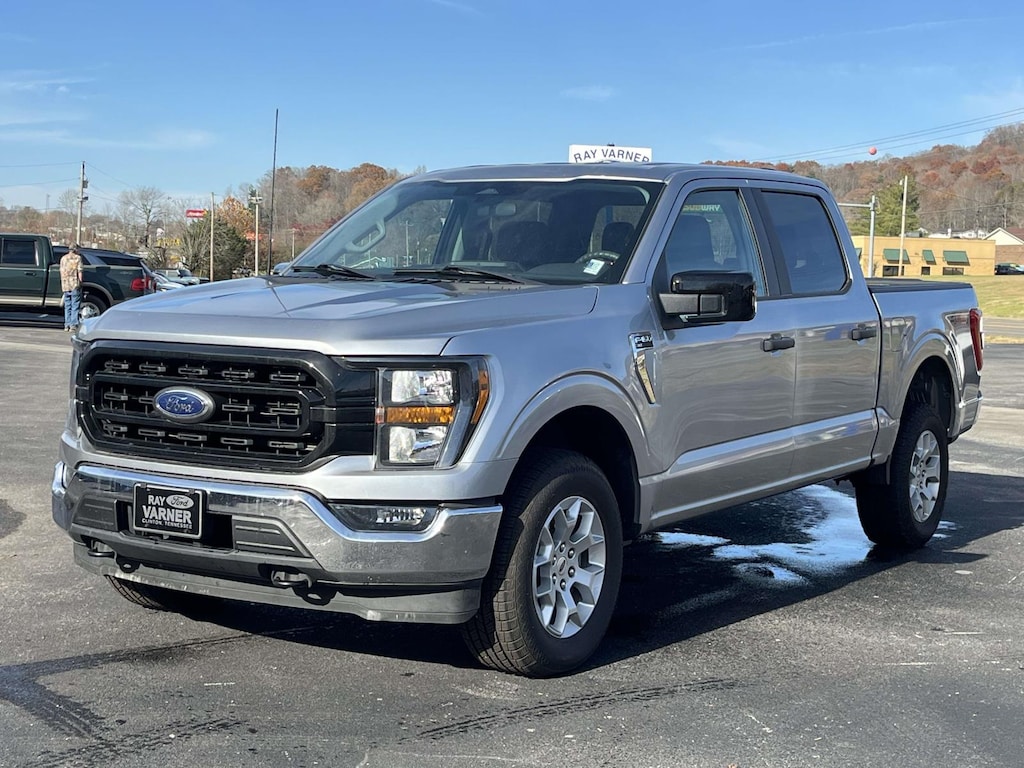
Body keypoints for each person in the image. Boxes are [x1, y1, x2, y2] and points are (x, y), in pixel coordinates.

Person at [59, 244, 84, 332]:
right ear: (76, 250)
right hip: (74, 284)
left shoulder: (63, 258)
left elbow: (61, 271)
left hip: (65, 284)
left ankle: (67, 325)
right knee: (75, 305)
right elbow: (79, 271)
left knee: (67, 305)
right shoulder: (78, 258)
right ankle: (73, 325)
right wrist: (81, 282)